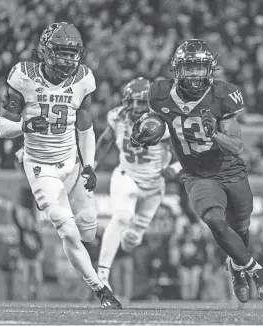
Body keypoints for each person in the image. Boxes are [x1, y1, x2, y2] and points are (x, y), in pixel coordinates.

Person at [130, 39, 263, 303]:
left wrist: (214, 134)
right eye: (190, 68)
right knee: (215, 221)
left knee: (240, 229)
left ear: (210, 70)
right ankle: (256, 272)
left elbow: (237, 146)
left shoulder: (222, 94)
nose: (195, 74)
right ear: (177, 69)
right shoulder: (160, 93)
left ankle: (235, 265)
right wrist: (142, 133)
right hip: (197, 175)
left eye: (200, 68)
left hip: (230, 171)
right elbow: (154, 124)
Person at [0, 22, 121, 308]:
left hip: (72, 163)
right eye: (61, 53)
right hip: (40, 165)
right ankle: (102, 290)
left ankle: (96, 276)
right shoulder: (23, 76)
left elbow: (86, 127)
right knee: (67, 228)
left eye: (72, 54)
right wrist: (25, 126)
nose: (67, 60)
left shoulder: (83, 78)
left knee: (88, 227)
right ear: (46, 52)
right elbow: (2, 127)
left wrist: (89, 164)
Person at [95, 77, 180, 292]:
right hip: (127, 176)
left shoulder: (164, 121)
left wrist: (175, 169)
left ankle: (130, 236)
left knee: (131, 240)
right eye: (131, 101)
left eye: (141, 102)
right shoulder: (117, 116)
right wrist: (92, 164)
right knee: (122, 216)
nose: (134, 107)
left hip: (154, 186)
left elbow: (186, 154)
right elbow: (105, 139)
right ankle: (102, 275)